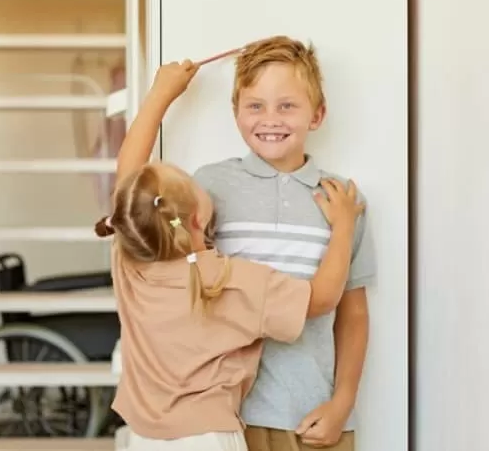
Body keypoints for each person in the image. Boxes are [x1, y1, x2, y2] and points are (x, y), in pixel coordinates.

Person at [95, 58, 364, 451]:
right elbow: (322, 299)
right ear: (199, 217)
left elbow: (129, 183)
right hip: (212, 434)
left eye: (285, 105)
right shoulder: (230, 281)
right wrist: (343, 228)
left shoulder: (132, 261)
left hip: (145, 436)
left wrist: (160, 94)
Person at [194, 36, 376, 451]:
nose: (270, 119)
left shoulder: (344, 200)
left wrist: (342, 404)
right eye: (255, 106)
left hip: (312, 418)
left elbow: (354, 313)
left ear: (317, 114)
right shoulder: (208, 187)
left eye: (287, 105)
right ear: (235, 112)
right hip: (224, 419)